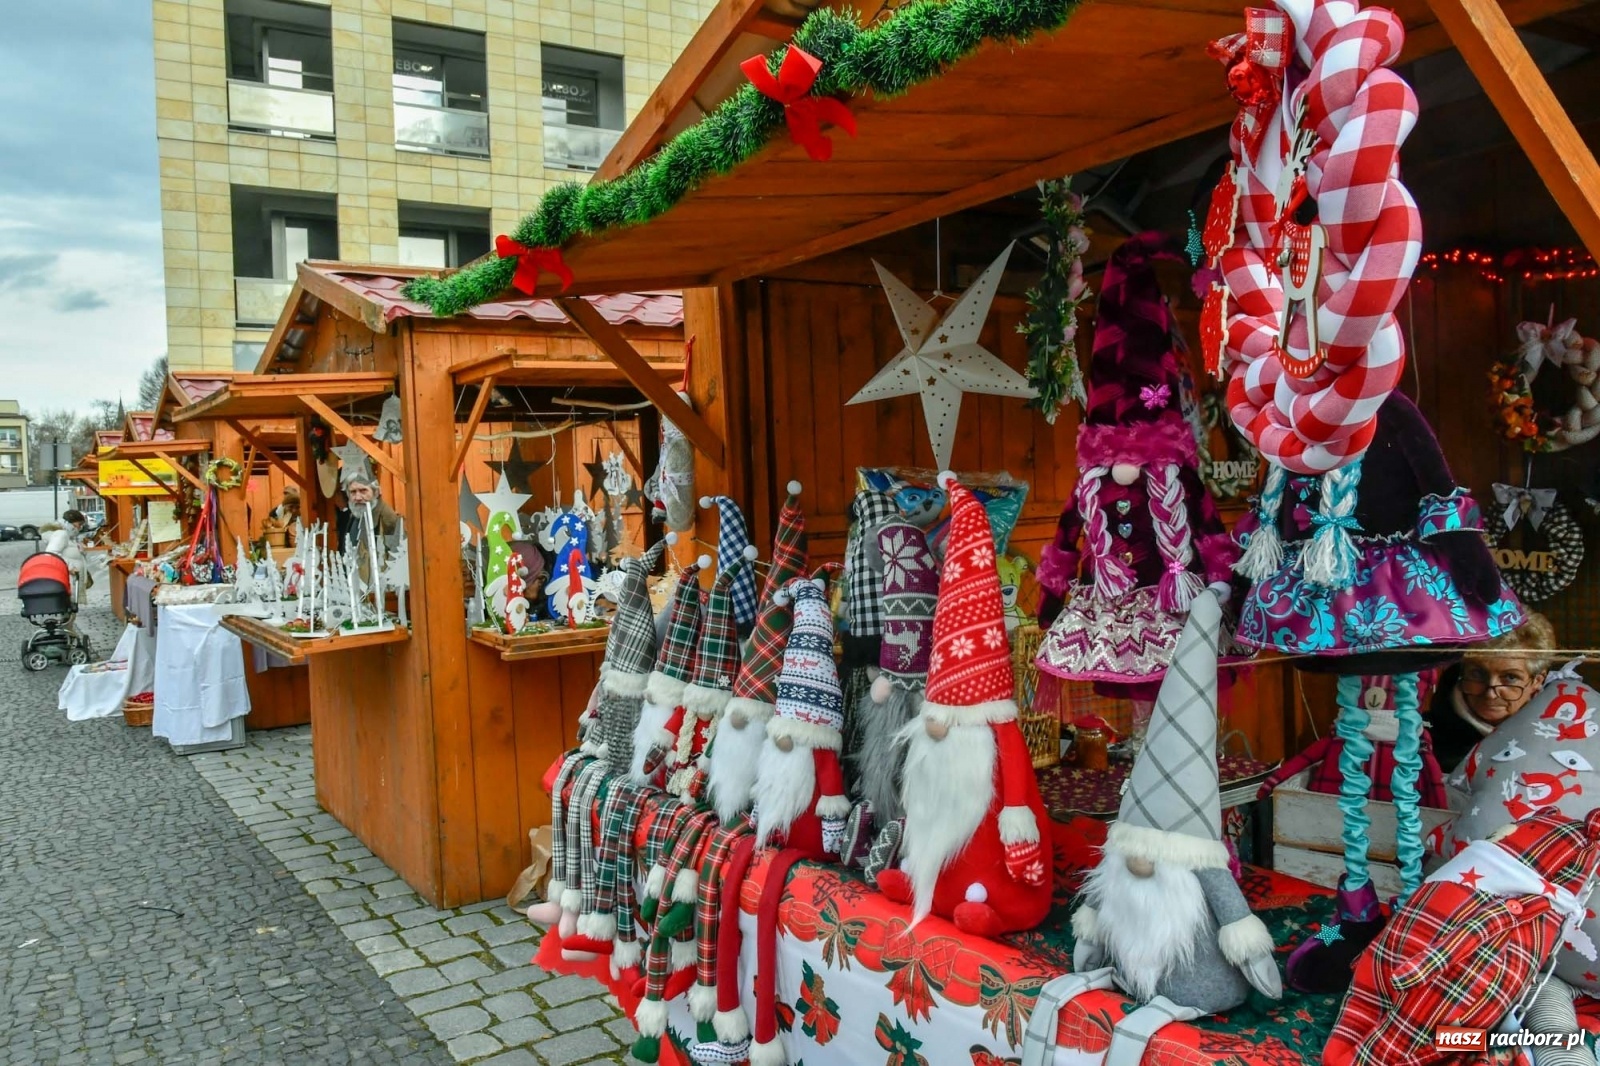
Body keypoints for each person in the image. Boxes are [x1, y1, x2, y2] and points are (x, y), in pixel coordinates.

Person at [1429, 611, 1557, 772]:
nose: (1490, 692)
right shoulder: (1421, 738)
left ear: (1537, 681)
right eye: (1477, 673)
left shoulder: (1560, 736)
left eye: (1510, 677)